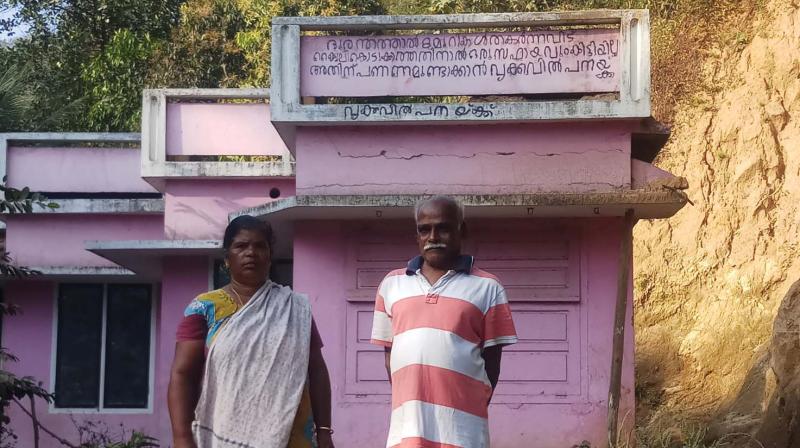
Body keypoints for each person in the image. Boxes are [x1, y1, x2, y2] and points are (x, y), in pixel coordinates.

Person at [168, 215, 335, 448]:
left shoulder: (293, 308)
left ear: (269, 257)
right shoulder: (204, 308)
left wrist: (324, 432)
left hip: (293, 437)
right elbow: (182, 375)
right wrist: (182, 437)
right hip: (223, 436)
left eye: (259, 246)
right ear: (227, 258)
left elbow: (317, 370)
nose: (251, 253)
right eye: (241, 246)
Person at [370, 196, 518, 448]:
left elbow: (492, 366)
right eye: (424, 229)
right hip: (407, 429)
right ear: (416, 235)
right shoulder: (391, 285)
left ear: (462, 230)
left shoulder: (488, 287)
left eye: (444, 228)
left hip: (463, 430)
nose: (433, 236)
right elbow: (390, 358)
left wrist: (466, 405)